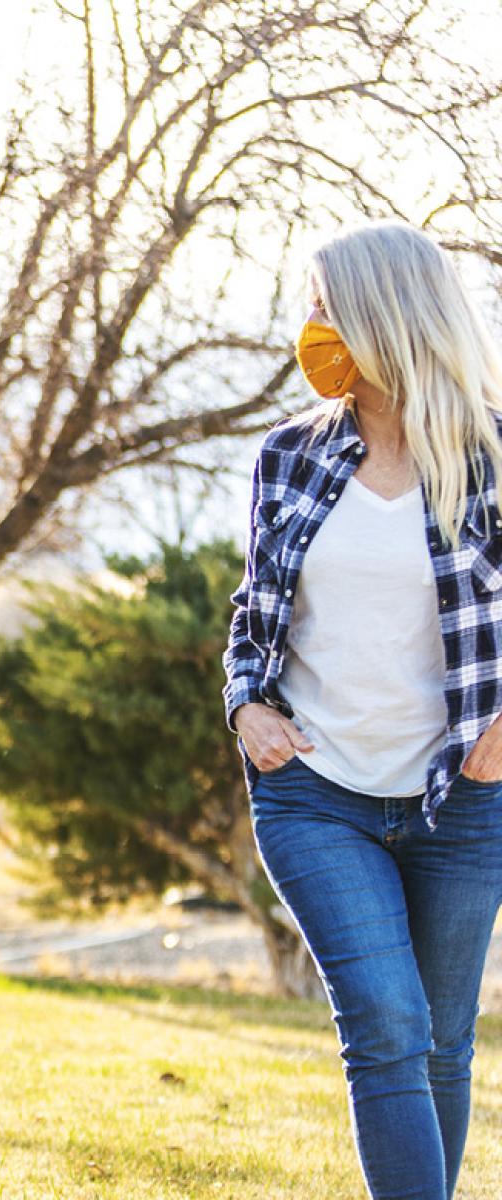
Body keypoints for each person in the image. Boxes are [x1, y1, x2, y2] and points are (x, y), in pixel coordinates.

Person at [224, 220, 502, 1200]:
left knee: (440, 1040)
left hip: (460, 800)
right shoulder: (288, 457)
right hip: (313, 794)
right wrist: (243, 707)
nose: (307, 327)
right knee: (386, 1026)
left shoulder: (492, 458)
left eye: (320, 305)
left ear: (381, 316)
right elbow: (252, 609)